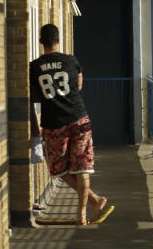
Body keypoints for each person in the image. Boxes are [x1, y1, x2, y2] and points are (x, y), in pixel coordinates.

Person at [30, 23, 108, 225]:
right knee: (82, 168)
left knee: (59, 170)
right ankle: (84, 211)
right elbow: (78, 86)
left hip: (53, 124)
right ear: (58, 40)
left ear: (40, 41)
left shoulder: (34, 66)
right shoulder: (71, 61)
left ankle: (94, 201)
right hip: (78, 118)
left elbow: (35, 96)